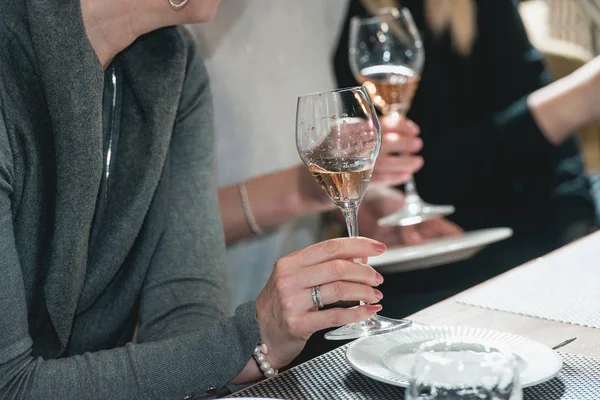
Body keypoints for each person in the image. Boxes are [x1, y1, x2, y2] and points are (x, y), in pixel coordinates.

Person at [0, 0, 395, 397]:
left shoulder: (172, 61)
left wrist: (247, 348)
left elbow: (183, 310)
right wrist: (247, 339)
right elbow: (11, 385)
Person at [189, 1, 462, 314]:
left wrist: (367, 203)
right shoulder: (182, 14)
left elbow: (279, 145)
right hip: (216, 319)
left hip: (313, 311)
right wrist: (305, 187)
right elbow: (161, 232)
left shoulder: (322, 7)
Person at [334, 0, 600, 318]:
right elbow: (419, 177)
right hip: (446, 261)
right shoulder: (354, 21)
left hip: (537, 230)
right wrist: (573, 101)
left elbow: (557, 153)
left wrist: (578, 226)